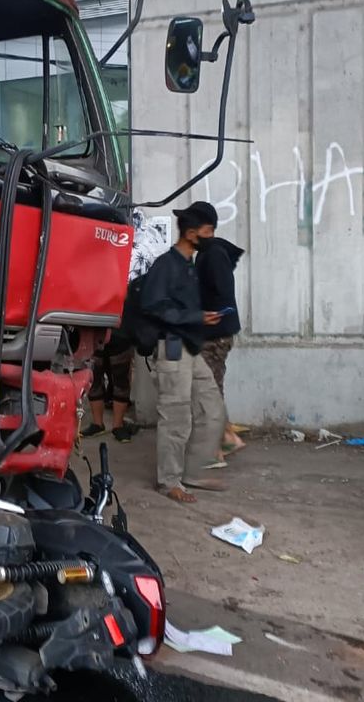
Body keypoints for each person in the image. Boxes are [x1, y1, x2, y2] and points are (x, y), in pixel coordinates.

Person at [139, 201, 227, 503]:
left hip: (191, 348)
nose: (211, 237)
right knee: (176, 418)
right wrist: (195, 317)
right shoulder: (167, 265)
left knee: (212, 409)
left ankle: (192, 472)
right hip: (173, 349)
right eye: (208, 231)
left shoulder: (190, 265)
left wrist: (205, 316)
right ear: (191, 233)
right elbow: (152, 305)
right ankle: (170, 481)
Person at [196, 221, 247, 462]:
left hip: (215, 334)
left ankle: (216, 450)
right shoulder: (211, 253)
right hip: (217, 332)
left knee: (208, 390)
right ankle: (226, 438)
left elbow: (220, 291)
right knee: (212, 388)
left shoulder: (212, 254)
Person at [81, 331, 138, 443]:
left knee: (121, 379)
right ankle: (98, 424)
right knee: (93, 378)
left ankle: (118, 426)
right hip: (93, 331)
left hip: (121, 332)